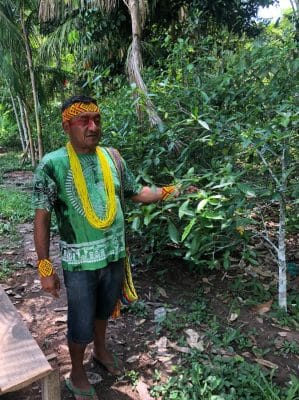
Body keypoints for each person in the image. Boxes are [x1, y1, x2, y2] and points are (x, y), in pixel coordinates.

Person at [33, 95, 177, 400]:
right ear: (66, 126)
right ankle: (77, 372)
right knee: (81, 319)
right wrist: (45, 267)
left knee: (102, 311)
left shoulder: (112, 157)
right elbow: (42, 218)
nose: (92, 126)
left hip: (114, 255)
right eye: (83, 121)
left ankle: (100, 350)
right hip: (81, 263)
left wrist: (169, 191)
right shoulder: (52, 164)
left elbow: (136, 192)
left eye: (97, 119)